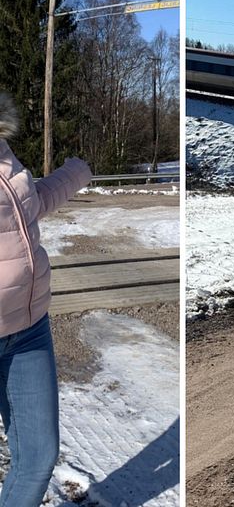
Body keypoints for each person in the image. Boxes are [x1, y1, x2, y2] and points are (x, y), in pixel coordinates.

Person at [0, 92, 91, 506]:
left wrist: (75, 173)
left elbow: (27, 206)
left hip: (30, 330)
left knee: (38, 457)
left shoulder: (3, 151)